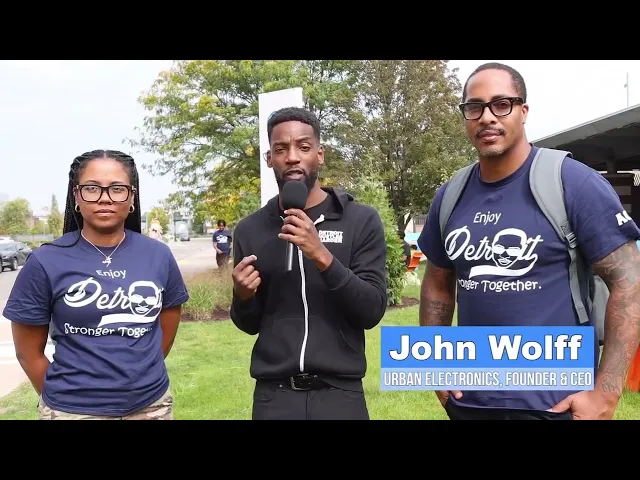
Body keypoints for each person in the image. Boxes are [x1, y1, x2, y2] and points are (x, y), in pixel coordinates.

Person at [418, 62, 640, 420]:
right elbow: (437, 283)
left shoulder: (573, 184)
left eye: (501, 104)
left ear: (523, 110)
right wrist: (434, 364)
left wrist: (606, 391)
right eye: (474, 107)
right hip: (471, 403)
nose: (487, 117)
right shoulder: (450, 196)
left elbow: (629, 283)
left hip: (556, 405)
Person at [3, 149, 190, 420]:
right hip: (72, 410)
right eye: (92, 188)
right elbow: (28, 353)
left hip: (151, 406)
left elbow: (166, 331)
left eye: (117, 188)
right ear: (77, 196)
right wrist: (63, 402)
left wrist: (140, 378)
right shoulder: (45, 261)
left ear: (132, 197)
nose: (105, 197)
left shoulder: (158, 255)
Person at [230, 107, 388, 420]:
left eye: (303, 147)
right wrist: (243, 296)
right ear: (269, 159)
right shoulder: (250, 229)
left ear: (319, 154)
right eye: (280, 149)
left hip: (341, 394)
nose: (292, 157)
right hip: (274, 396)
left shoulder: (360, 220)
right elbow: (249, 324)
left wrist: (321, 255)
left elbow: (371, 310)